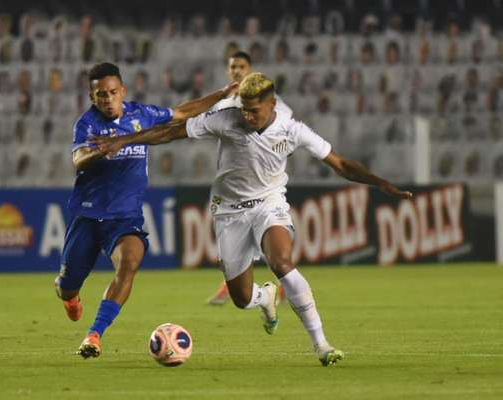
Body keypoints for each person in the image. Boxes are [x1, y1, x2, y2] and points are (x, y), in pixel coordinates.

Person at [91, 72, 412, 366]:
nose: (246, 115)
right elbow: (173, 131)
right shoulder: (227, 118)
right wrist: (124, 140)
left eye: (253, 110)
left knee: (282, 261)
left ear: (272, 104)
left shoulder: (292, 129)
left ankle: (322, 345)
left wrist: (380, 182)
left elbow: (339, 164)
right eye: (243, 109)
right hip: (229, 212)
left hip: (269, 205)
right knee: (242, 298)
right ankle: (264, 296)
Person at [55, 62, 237, 359]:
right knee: (66, 286)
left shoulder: (141, 115)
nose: (108, 99)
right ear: (92, 97)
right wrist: (103, 149)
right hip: (87, 217)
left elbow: (182, 112)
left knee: (129, 264)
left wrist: (222, 93)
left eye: (113, 92)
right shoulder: (86, 124)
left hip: (125, 219)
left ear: (122, 91)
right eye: (101, 94)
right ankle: (70, 296)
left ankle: (94, 334)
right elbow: (78, 160)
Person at [206, 50, 290, 306]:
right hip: (234, 187)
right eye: (232, 67)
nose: (236, 71)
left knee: (272, 244)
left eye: (241, 66)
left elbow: (284, 136)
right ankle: (256, 292)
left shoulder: (275, 105)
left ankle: (285, 284)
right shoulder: (222, 106)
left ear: (250, 68)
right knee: (236, 258)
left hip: (265, 186)